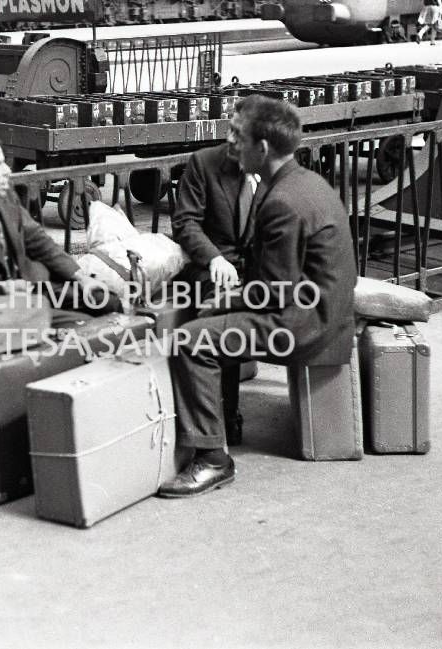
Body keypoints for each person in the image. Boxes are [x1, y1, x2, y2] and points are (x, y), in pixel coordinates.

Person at [157, 96, 356, 498]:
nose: (229, 142)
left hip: (302, 322)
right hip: (321, 307)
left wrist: (224, 303)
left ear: (262, 149)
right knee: (208, 321)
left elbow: (273, 294)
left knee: (189, 340)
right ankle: (220, 421)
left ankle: (212, 459)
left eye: (237, 136)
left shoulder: (281, 202)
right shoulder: (306, 182)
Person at [0, 131, 118, 319]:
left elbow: (38, 241)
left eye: (4, 162)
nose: (7, 170)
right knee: (82, 325)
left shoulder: (5, 198)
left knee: (108, 302)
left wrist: (81, 277)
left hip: (33, 290)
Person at [172, 142, 263, 446]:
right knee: (224, 306)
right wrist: (214, 258)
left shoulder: (276, 169)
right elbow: (185, 223)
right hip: (211, 266)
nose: (237, 140)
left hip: (257, 268)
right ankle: (221, 420)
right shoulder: (204, 163)